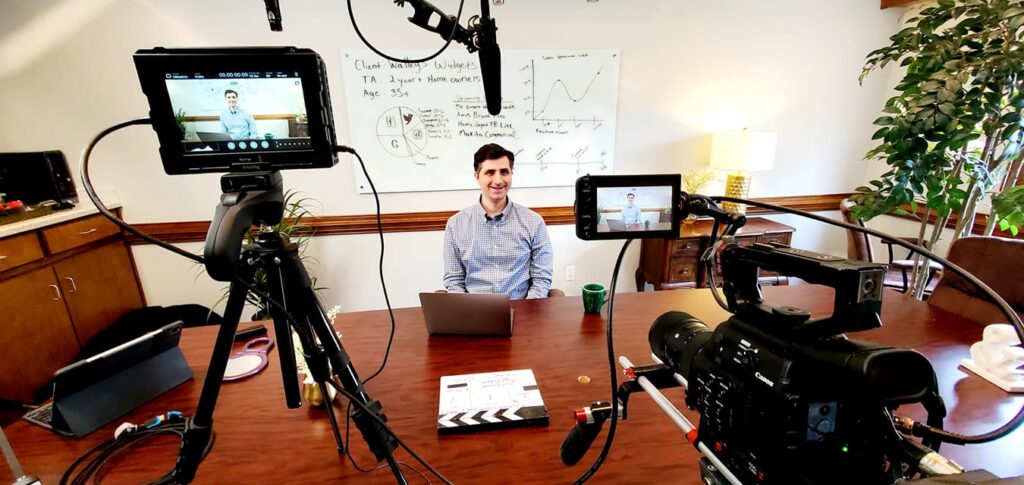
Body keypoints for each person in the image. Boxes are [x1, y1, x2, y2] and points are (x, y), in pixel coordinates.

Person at [443, 143, 554, 299]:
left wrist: (528, 312)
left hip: (522, 309)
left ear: (511, 174)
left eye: (504, 172)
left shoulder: (534, 222)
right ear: (477, 176)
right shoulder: (455, 225)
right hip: (473, 312)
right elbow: (454, 280)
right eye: (490, 172)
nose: (498, 180)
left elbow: (542, 279)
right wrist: (465, 313)